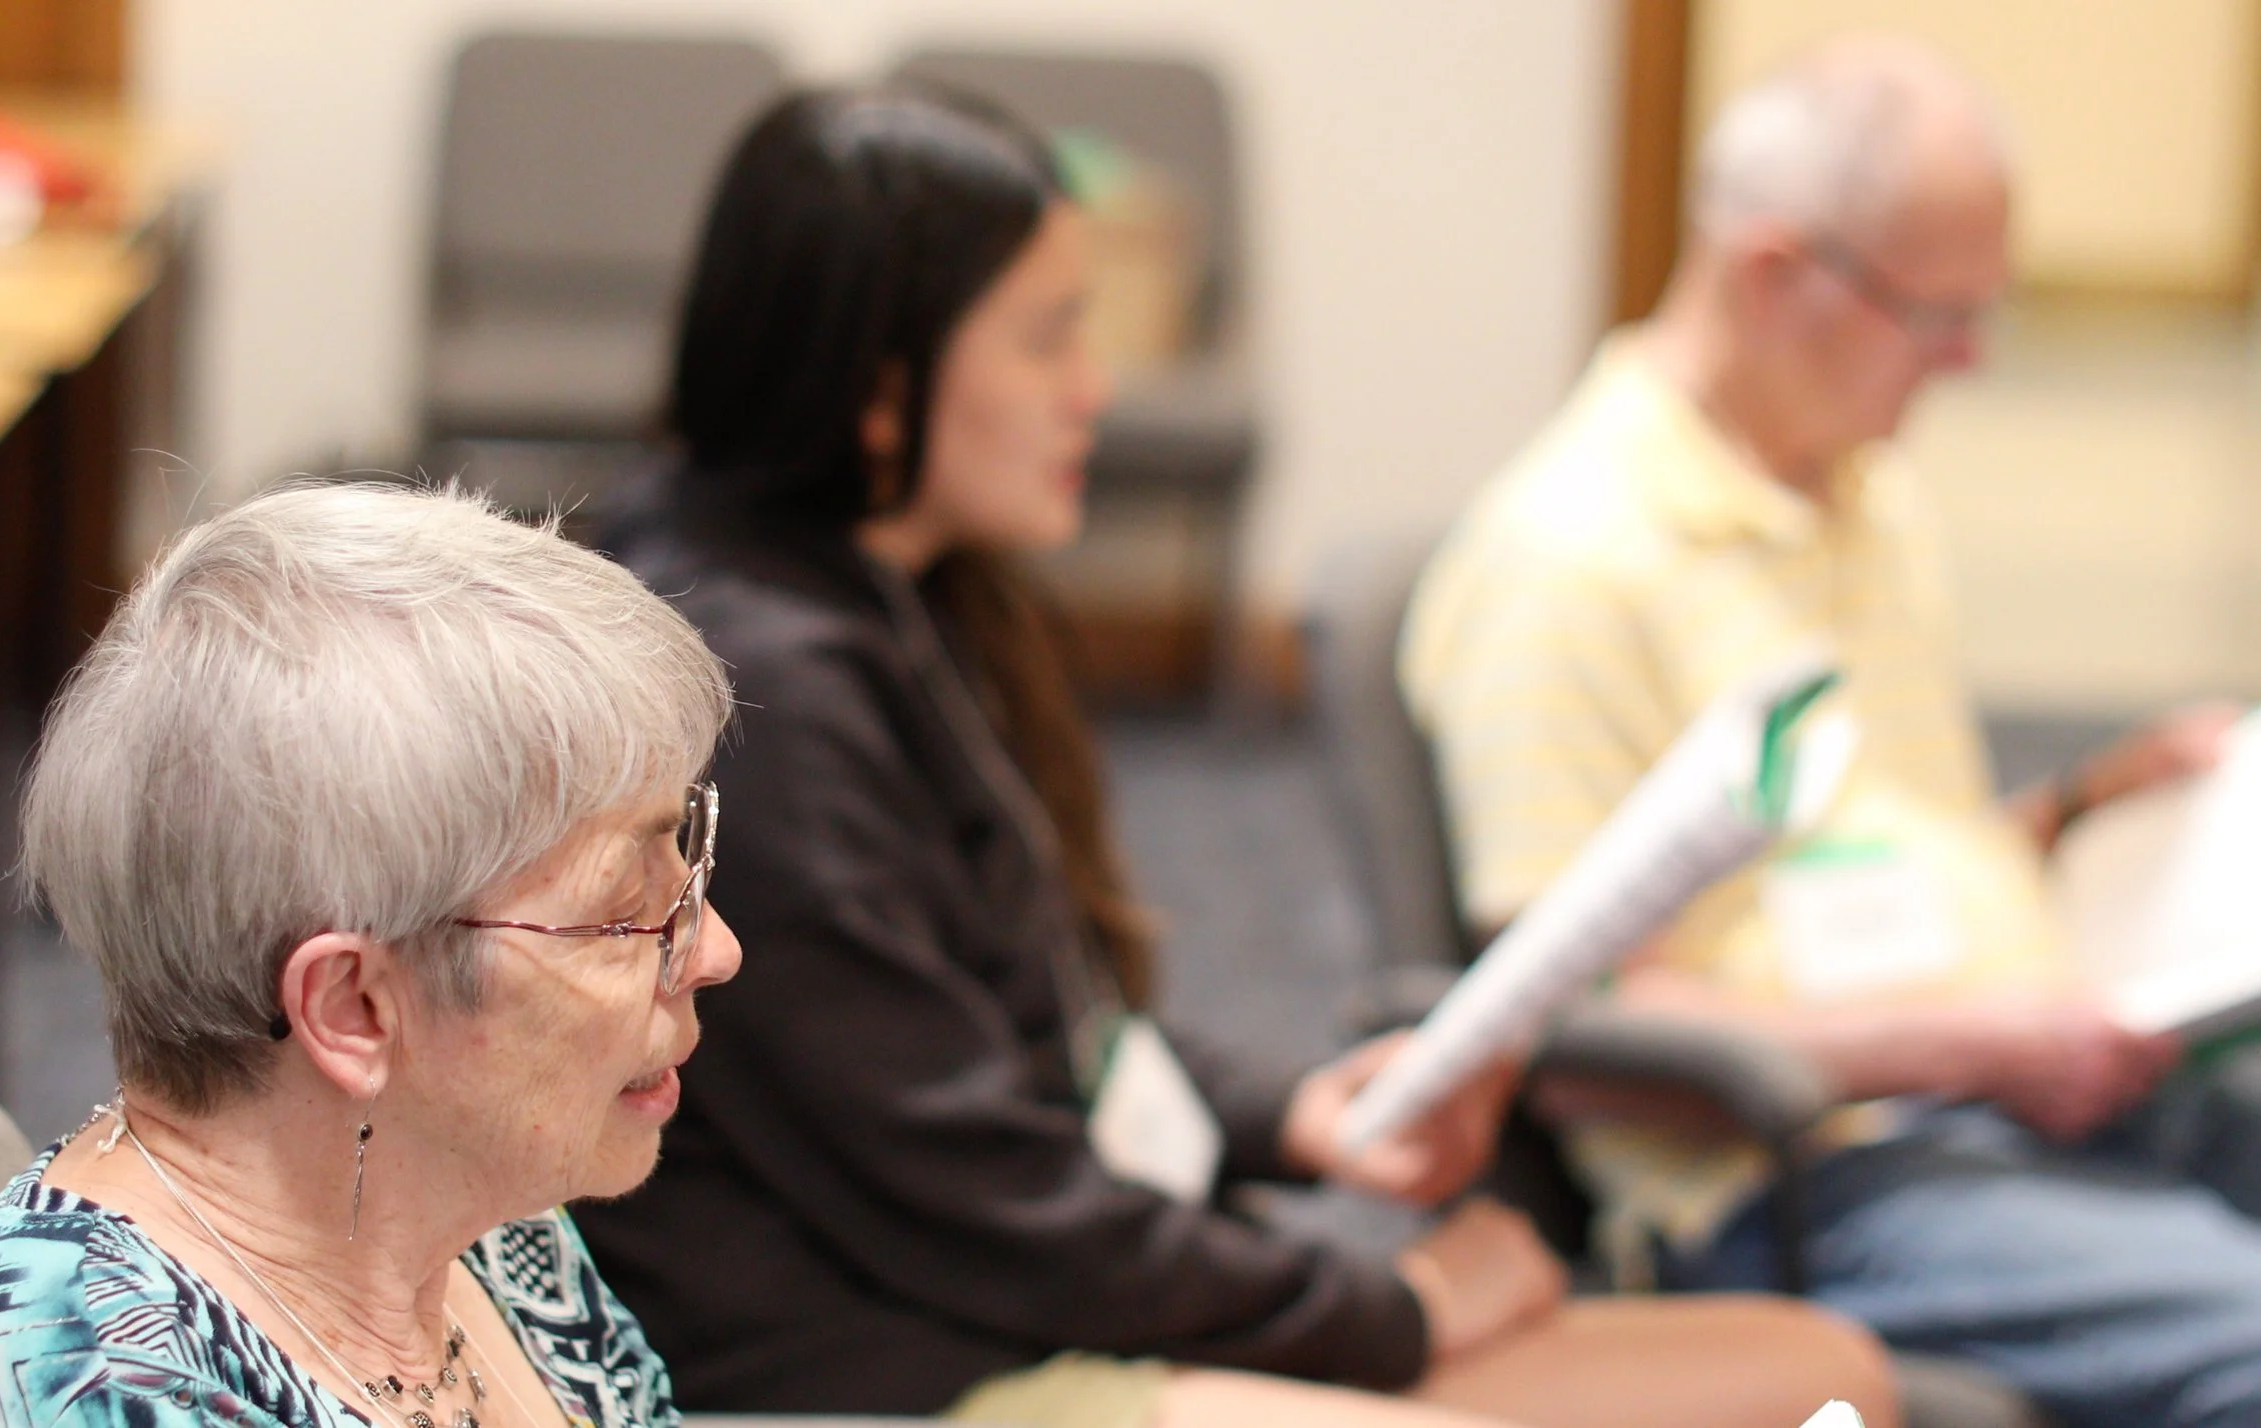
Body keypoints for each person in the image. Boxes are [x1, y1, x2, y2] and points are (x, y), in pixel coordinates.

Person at [568, 85, 1897, 1428]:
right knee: (1791, 1392)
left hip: (1013, 1295)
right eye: (1047, 339)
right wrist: (1394, 1311)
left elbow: (1036, 1026)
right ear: (878, 382)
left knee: (1820, 1372)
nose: (1095, 389)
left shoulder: (891, 590)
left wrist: (1289, 1116)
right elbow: (969, 1189)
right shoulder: (764, 690)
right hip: (913, 1370)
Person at [1404, 36, 2261, 1428]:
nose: (1969, 362)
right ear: (1771, 273)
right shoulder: (1569, 566)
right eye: (1937, 318)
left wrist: (2088, 808)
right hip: (1809, 1170)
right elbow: (1576, 1026)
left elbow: (1880, 861)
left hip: (2009, 1087)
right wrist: (1977, 1046)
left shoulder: (1856, 493)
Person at [0, 484, 739, 1427]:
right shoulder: (71, 1385)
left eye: (685, 860)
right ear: (353, 1008)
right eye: (626, 910)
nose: (716, 950)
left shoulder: (486, 1216)